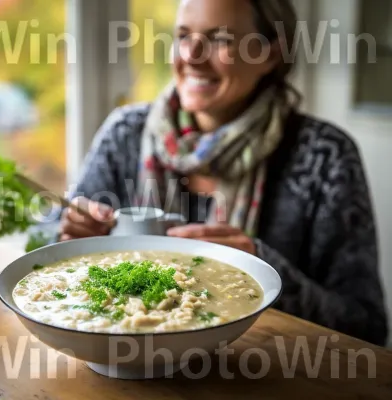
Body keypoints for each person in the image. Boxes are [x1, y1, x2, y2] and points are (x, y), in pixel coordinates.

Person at [58, 0, 389, 346]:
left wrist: (262, 269)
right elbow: (50, 247)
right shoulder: (125, 132)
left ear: (271, 55)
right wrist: (70, 236)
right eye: (183, 35)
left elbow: (365, 327)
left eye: (220, 39)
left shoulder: (325, 156)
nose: (191, 55)